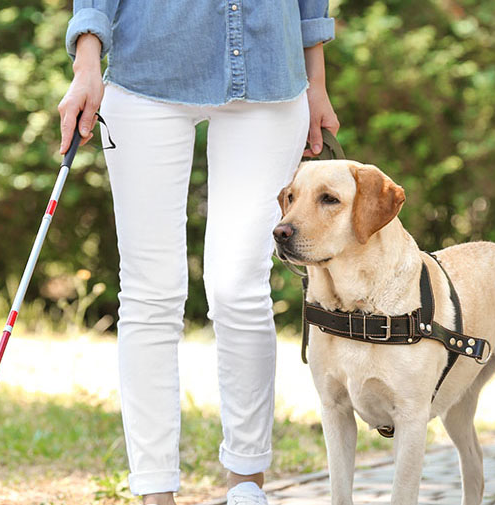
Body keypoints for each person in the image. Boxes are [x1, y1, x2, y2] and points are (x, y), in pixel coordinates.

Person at [57, 2, 339, 504]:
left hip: (270, 74)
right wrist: (86, 62)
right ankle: (155, 489)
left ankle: (247, 484)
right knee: (150, 293)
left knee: (238, 287)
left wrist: (316, 82)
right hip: (148, 73)